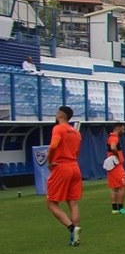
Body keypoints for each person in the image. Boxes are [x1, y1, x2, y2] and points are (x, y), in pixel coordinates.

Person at [46, 105, 83, 246]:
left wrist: (50, 162)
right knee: (72, 202)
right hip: (74, 167)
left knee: (51, 203)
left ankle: (72, 229)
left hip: (62, 167)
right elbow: (77, 151)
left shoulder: (58, 128)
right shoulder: (76, 132)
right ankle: (76, 236)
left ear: (61, 115)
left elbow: (53, 146)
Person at [106, 121, 125, 215]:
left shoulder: (111, 136)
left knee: (114, 187)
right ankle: (120, 208)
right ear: (118, 128)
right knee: (123, 186)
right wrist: (117, 156)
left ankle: (114, 209)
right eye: (123, 129)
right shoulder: (114, 137)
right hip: (116, 166)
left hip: (112, 166)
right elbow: (113, 148)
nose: (123, 131)